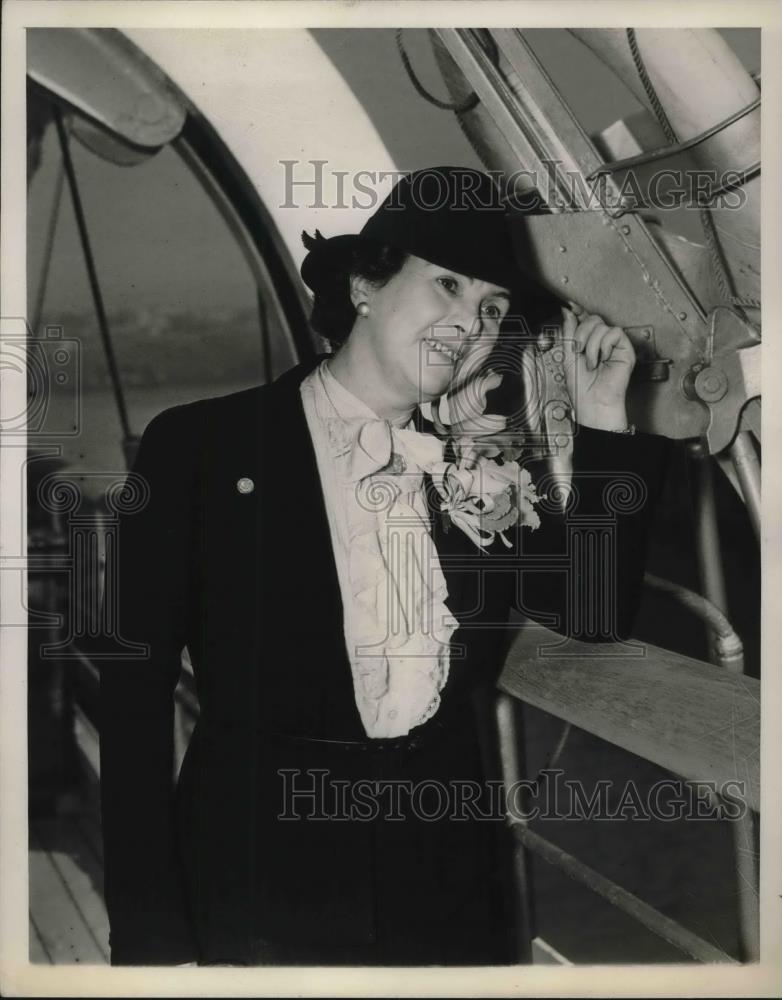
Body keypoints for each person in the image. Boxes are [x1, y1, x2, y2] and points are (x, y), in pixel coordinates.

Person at [98, 166, 669, 966]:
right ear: (366, 283)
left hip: (446, 894)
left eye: (491, 308)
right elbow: (132, 702)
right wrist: (152, 939)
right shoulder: (199, 448)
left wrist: (605, 418)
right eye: (446, 286)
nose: (469, 324)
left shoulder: (477, 470)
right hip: (257, 885)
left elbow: (594, 611)